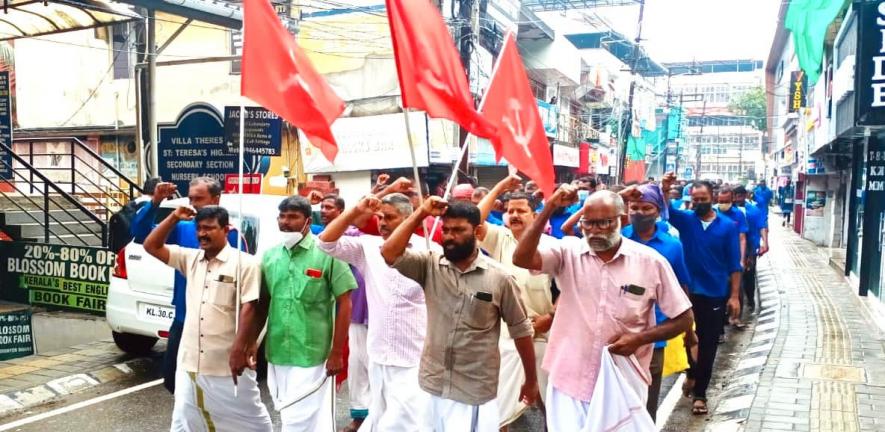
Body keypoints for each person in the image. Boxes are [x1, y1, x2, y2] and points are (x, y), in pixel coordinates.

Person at [511, 187, 693, 431]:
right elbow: (521, 258)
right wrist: (549, 208)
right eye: (588, 224)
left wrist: (639, 338)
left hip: (622, 382)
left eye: (604, 223)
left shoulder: (651, 262)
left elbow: (683, 318)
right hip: (569, 379)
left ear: (622, 220)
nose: (594, 231)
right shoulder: (568, 252)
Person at [380, 199, 540, 431]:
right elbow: (389, 252)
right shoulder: (429, 265)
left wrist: (531, 380)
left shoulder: (499, 278)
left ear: (476, 231)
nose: (449, 236)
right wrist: (420, 213)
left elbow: (521, 331)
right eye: (445, 230)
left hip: (474, 389)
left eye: (458, 230)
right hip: (432, 383)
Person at [143, 206, 272, 432]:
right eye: (199, 228)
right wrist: (173, 217)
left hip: (227, 362)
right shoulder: (190, 259)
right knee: (187, 417)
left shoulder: (246, 263)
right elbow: (151, 246)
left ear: (226, 229)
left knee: (251, 419)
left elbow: (250, 307)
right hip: (190, 360)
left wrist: (239, 349)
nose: (203, 233)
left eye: (209, 228)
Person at [318, 193, 435, 431]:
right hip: (379, 355)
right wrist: (355, 210)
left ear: (407, 218)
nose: (382, 223)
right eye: (380, 217)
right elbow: (325, 243)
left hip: (414, 358)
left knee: (406, 422)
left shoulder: (430, 251)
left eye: (389, 217)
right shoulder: (368, 248)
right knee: (381, 417)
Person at [246, 196, 358, 431]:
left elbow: (345, 303)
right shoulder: (270, 256)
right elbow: (263, 303)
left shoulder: (328, 253)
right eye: (282, 216)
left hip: (313, 354)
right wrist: (252, 342)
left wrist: (337, 352)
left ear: (308, 221)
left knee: (299, 419)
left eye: (293, 217)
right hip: (277, 352)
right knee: (292, 414)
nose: (286, 222)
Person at [130, 177, 242, 394]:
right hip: (184, 316)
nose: (194, 203)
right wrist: (155, 203)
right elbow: (142, 233)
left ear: (216, 199)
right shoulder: (182, 228)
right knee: (174, 381)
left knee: (214, 384)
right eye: (191, 198)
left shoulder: (231, 234)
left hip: (217, 321)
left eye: (199, 198)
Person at [477, 176, 556, 428]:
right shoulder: (500, 238)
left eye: (521, 211)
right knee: (499, 405)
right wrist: (500, 186)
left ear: (535, 215)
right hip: (507, 336)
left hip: (544, 335)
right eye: (510, 211)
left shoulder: (553, 248)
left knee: (551, 404)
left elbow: (568, 291)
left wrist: (550, 319)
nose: (514, 215)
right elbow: (474, 221)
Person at [661, 174, 742, 416]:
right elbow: (666, 208)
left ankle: (701, 394)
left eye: (703, 198)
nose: (698, 203)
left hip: (715, 294)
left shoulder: (728, 227)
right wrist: (664, 189)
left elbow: (734, 265)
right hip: (685, 293)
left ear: (713, 198)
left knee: (707, 345)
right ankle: (692, 373)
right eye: (694, 199)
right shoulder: (686, 220)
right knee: (686, 338)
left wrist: (734, 296)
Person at [620, 183, 694, 420]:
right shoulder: (618, 239)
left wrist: (688, 330)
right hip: (617, 333)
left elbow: (682, 288)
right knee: (615, 404)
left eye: (646, 207)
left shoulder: (672, 246)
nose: (640, 212)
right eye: (635, 207)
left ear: (658, 211)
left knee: (645, 407)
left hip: (653, 339)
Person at [734, 186, 769, 313]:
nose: (738, 199)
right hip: (733, 249)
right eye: (736, 196)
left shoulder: (754, 210)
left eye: (740, 196)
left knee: (749, 276)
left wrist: (765, 243)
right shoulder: (731, 211)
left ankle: (750, 300)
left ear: (745, 196)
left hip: (750, 249)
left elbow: (762, 226)